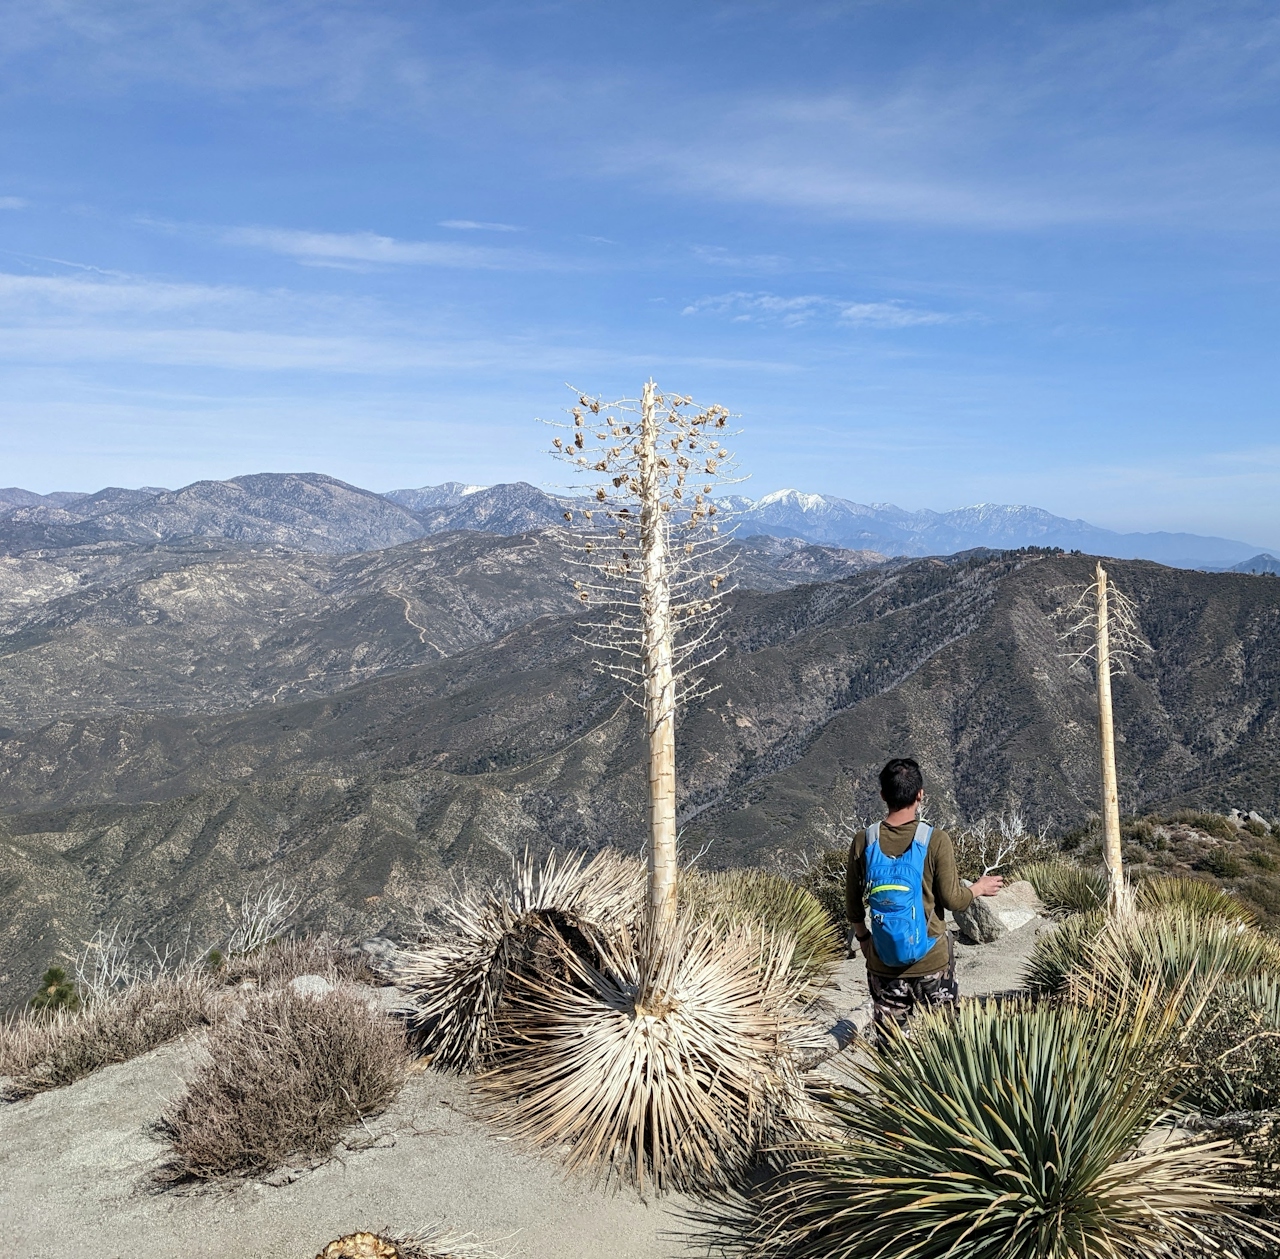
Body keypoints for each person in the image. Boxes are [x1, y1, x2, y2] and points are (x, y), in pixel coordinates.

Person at [845, 757, 1003, 1031]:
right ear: (920, 794)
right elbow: (954, 900)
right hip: (932, 962)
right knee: (945, 1043)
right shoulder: (935, 839)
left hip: (883, 964)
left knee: (891, 1046)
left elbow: (852, 903)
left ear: (883, 795)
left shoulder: (865, 839)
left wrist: (864, 940)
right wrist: (977, 889)